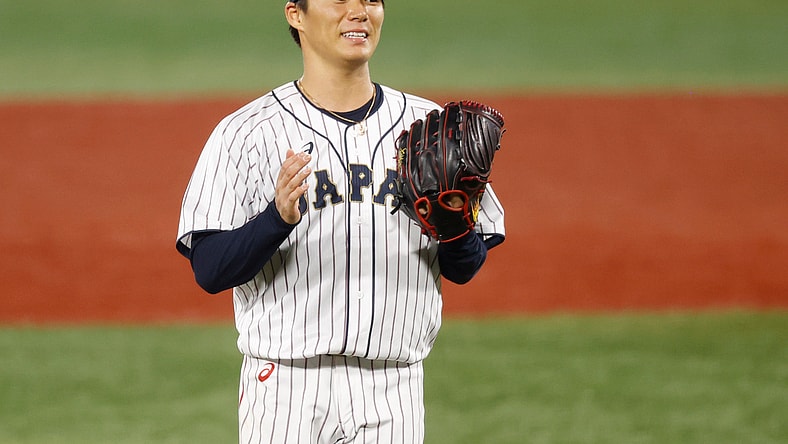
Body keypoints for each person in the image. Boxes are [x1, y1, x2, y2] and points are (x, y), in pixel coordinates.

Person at [176, 0, 505, 442]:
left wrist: (454, 226)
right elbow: (210, 270)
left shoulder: (429, 128)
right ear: (296, 14)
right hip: (286, 388)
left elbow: (465, 267)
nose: (358, 11)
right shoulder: (246, 132)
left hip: (394, 388)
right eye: (339, 0)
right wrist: (276, 219)